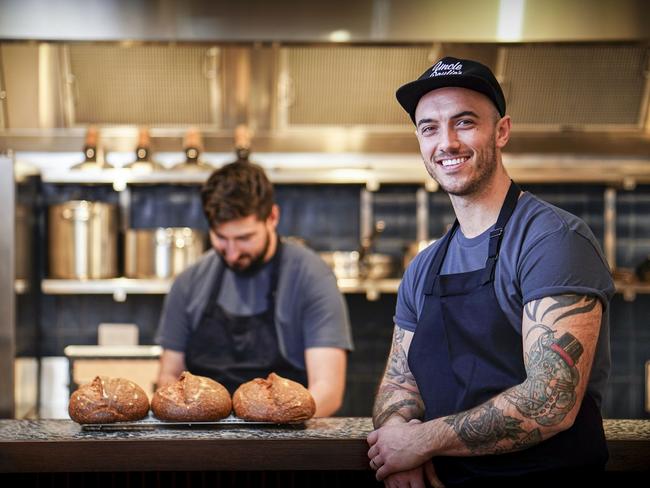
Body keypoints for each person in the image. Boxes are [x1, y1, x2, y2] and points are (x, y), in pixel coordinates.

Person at [367, 57, 614, 487]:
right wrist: (395, 436)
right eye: (429, 128)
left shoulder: (552, 239)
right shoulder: (424, 268)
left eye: (464, 123)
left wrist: (423, 441)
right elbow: (399, 382)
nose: (446, 142)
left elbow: (549, 402)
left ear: (501, 131)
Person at [155, 161, 353, 417]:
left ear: (272, 217)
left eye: (244, 238)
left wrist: (268, 429)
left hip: (283, 440)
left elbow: (328, 390)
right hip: (203, 437)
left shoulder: (312, 277)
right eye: (221, 238)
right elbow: (169, 375)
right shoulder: (188, 283)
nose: (233, 253)